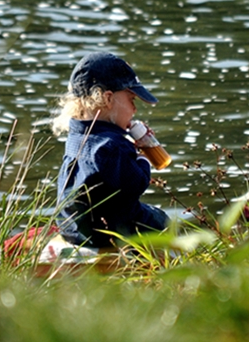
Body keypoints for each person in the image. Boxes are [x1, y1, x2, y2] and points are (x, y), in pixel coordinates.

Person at [52, 51, 169, 248]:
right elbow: (135, 183)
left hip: (74, 228)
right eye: (131, 100)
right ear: (107, 99)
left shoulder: (78, 136)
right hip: (108, 230)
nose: (135, 110)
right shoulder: (112, 145)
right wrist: (143, 158)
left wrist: (130, 151)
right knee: (163, 221)